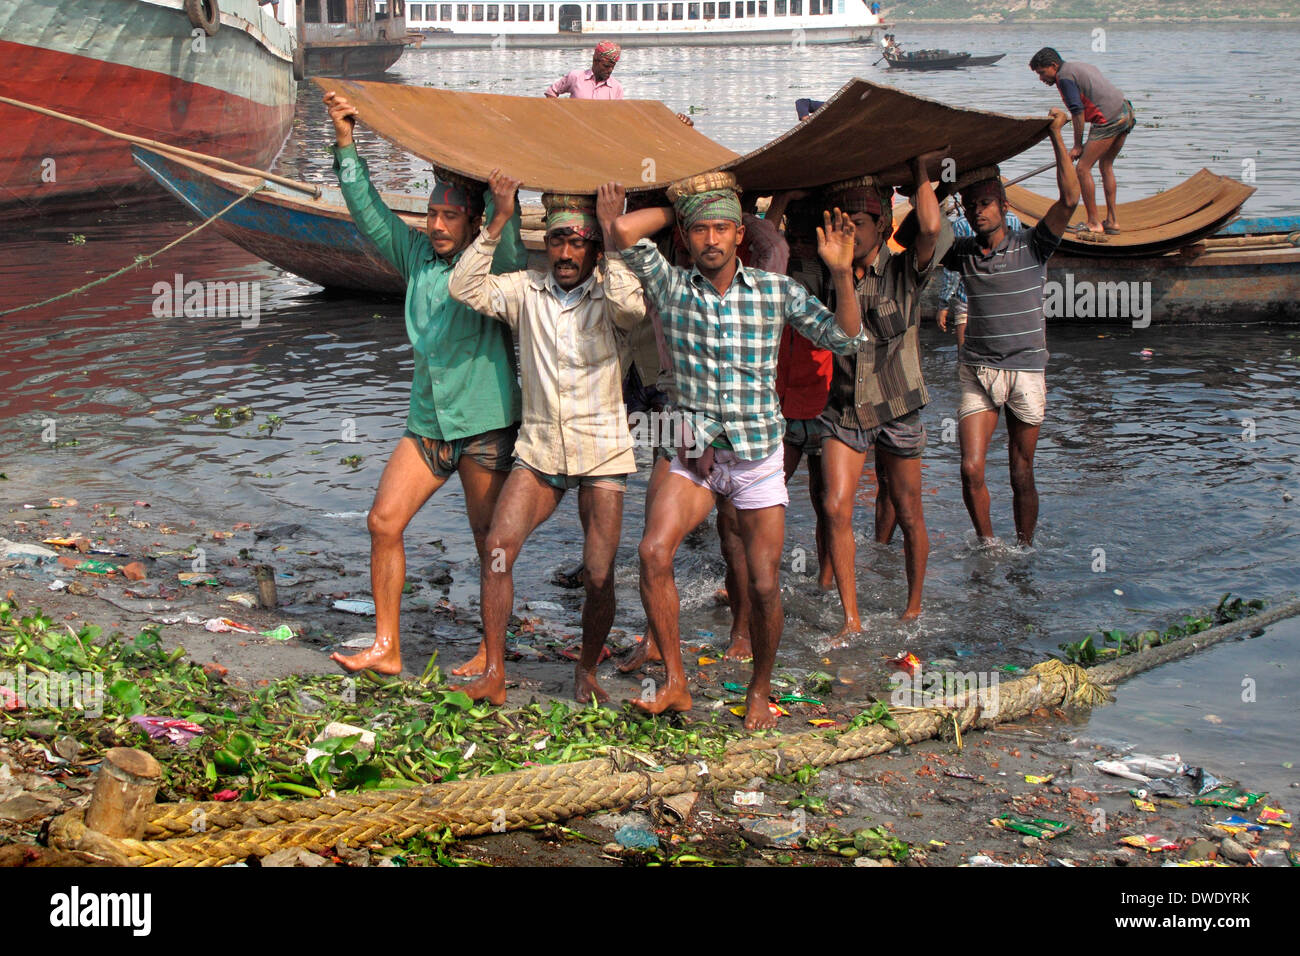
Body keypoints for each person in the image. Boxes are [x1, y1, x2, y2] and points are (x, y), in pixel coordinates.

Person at [610, 172, 866, 731]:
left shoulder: (776, 292)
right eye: (700, 230)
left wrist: (842, 275)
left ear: (739, 236)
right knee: (654, 553)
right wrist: (680, 200)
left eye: (723, 228)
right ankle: (676, 683)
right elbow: (622, 230)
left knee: (764, 582)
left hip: (756, 457)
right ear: (686, 235)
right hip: (694, 450)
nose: (711, 240)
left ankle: (759, 688)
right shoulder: (671, 287)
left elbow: (845, 339)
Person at [322, 91, 525, 677]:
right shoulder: (416, 260)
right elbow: (369, 211)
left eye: (448, 217)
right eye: (431, 215)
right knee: (383, 522)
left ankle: (492, 654)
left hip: (486, 425)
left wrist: (496, 191)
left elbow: (502, 230)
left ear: (471, 224)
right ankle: (387, 647)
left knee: (490, 544)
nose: (435, 225)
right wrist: (345, 143)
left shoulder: (495, 260)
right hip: (428, 423)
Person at [447, 180, 646, 705]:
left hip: (602, 451)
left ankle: (585, 670)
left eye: (577, 242)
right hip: (537, 451)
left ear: (594, 249)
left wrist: (612, 230)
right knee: (497, 550)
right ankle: (493, 671)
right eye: (557, 240)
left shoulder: (612, 292)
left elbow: (634, 311)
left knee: (599, 574)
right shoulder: (525, 291)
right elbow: (463, 288)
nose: (564, 252)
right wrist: (499, 217)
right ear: (545, 244)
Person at [817, 154, 950, 631]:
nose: (848, 235)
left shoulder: (903, 272)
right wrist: (838, 270)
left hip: (898, 403)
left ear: (883, 224)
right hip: (846, 408)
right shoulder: (830, 273)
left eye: (857, 225)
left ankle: (913, 606)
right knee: (834, 506)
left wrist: (918, 171)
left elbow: (931, 226)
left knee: (910, 511)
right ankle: (851, 618)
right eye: (841, 226)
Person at [940, 109, 1080, 548]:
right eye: (969, 205)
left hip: (1026, 370)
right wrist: (935, 181)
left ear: (1003, 205)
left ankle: (1024, 546)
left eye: (983, 203)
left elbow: (1070, 200)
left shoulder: (1033, 245)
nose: (976, 212)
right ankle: (988, 545)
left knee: (1022, 471)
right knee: (970, 468)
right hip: (978, 370)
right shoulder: (963, 252)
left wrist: (1057, 135)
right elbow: (923, 232)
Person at [1029, 47, 1135, 236]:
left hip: (1108, 119)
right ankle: (1112, 222)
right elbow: (1087, 104)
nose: (1041, 79)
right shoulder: (1076, 67)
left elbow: (1078, 112)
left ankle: (1094, 222)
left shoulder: (1064, 78)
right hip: (1125, 111)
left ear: (1053, 66)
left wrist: (1078, 145)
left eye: (1042, 73)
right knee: (1106, 165)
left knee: (1082, 169)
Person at [936, 197, 1022, 349]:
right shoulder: (1013, 220)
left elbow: (953, 272)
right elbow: (1017, 261)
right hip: (1003, 299)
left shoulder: (962, 223)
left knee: (965, 355)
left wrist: (944, 303)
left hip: (967, 299)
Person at [544, 41, 625, 100]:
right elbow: (551, 92)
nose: (610, 70)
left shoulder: (617, 88)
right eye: (606, 66)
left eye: (612, 66)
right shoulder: (575, 77)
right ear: (595, 61)